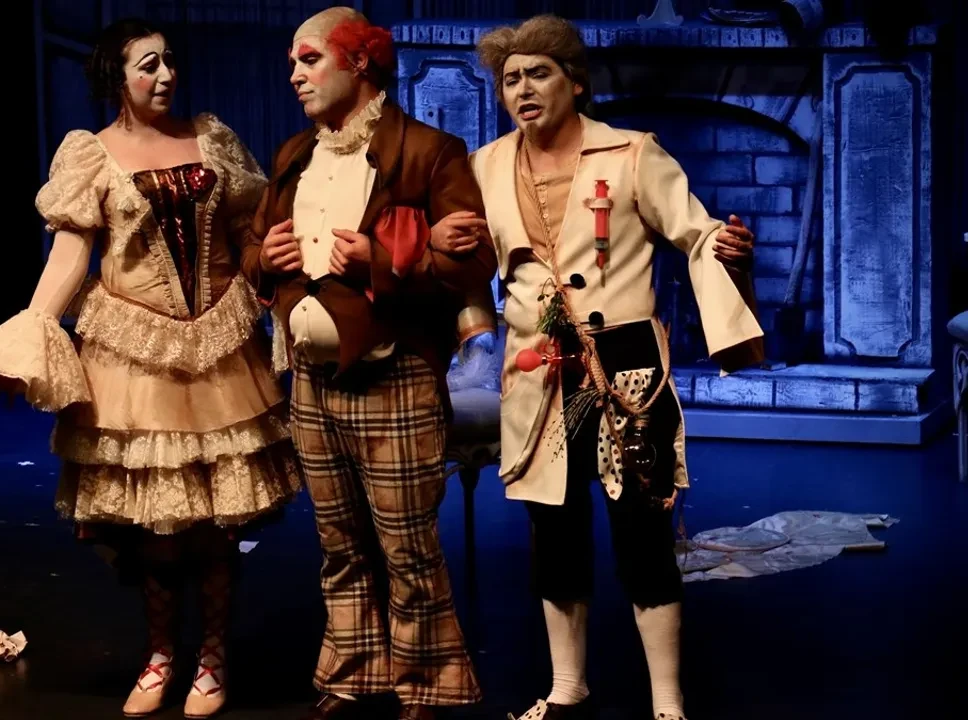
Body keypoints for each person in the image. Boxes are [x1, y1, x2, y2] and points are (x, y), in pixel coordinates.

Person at [0, 18, 301, 719]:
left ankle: (213, 657)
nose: (166, 74)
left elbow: (246, 231)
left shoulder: (211, 138)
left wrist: (284, 285)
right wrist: (16, 353)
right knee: (156, 529)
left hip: (219, 351)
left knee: (216, 525)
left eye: (170, 61)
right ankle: (161, 655)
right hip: (134, 356)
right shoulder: (91, 154)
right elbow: (69, 259)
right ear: (116, 77)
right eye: (149, 64)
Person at [465, 15, 762, 720]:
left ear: (574, 82)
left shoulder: (632, 153)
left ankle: (667, 700)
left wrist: (726, 247)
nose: (522, 89)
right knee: (554, 533)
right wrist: (469, 315)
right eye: (510, 79)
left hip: (626, 366)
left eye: (538, 74)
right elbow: (469, 263)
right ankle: (568, 686)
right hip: (540, 371)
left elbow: (695, 231)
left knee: (642, 531)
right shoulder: (486, 165)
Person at [241, 7, 497, 720]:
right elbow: (253, 247)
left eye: (310, 60)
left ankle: (425, 683)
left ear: (359, 62)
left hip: (395, 375)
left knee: (407, 545)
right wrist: (266, 260)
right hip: (313, 382)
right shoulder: (295, 154)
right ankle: (354, 672)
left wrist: (382, 263)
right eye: (293, 64)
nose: (296, 76)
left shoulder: (428, 151)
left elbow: (474, 262)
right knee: (340, 543)